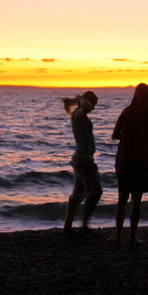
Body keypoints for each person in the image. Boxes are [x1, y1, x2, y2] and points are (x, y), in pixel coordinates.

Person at [111, 83, 148, 246]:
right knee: (136, 202)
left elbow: (115, 135)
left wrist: (127, 135)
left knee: (122, 199)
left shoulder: (126, 112)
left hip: (125, 159)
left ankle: (117, 236)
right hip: (141, 161)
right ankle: (132, 236)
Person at [62, 90, 103, 234]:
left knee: (78, 193)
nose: (94, 108)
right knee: (95, 191)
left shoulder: (79, 115)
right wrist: (80, 100)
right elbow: (85, 106)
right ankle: (84, 225)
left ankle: (68, 226)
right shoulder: (79, 114)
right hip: (84, 159)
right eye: (94, 104)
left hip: (82, 158)